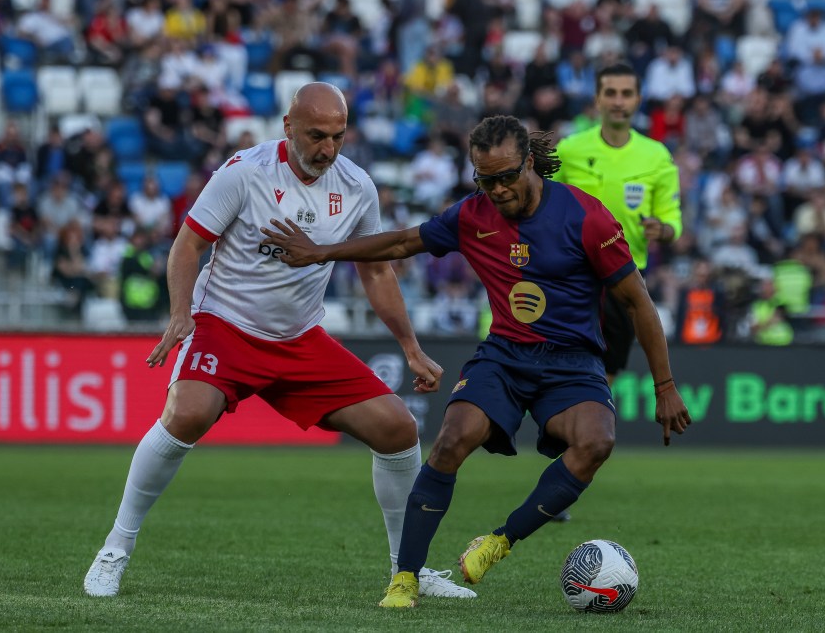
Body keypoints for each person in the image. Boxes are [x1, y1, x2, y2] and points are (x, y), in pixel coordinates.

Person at [259, 115, 691, 608]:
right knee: (450, 440)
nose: (499, 189)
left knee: (597, 442)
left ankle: (499, 542)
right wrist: (322, 253)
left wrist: (665, 385)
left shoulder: (585, 216)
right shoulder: (473, 215)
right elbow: (402, 242)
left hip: (572, 362)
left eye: (508, 176)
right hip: (505, 356)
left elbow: (638, 302)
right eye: (486, 180)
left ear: (530, 163)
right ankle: (405, 577)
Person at [83, 83, 474, 600]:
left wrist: (410, 347)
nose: (328, 149)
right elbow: (188, 245)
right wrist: (181, 315)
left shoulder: (357, 186)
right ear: (288, 127)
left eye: (338, 136)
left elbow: (376, 273)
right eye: (316, 135)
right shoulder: (244, 172)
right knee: (187, 415)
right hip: (226, 325)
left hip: (298, 338)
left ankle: (410, 570)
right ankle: (115, 549)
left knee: (398, 429)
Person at [552, 61, 683, 383]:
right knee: (559, 368)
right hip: (572, 273)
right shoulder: (569, 150)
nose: (618, 101)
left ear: (638, 100)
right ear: (597, 99)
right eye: (610, 93)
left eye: (626, 94)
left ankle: (590, 431)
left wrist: (662, 229)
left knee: (605, 375)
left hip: (624, 277)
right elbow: (542, 201)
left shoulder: (657, 157)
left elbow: (672, 221)